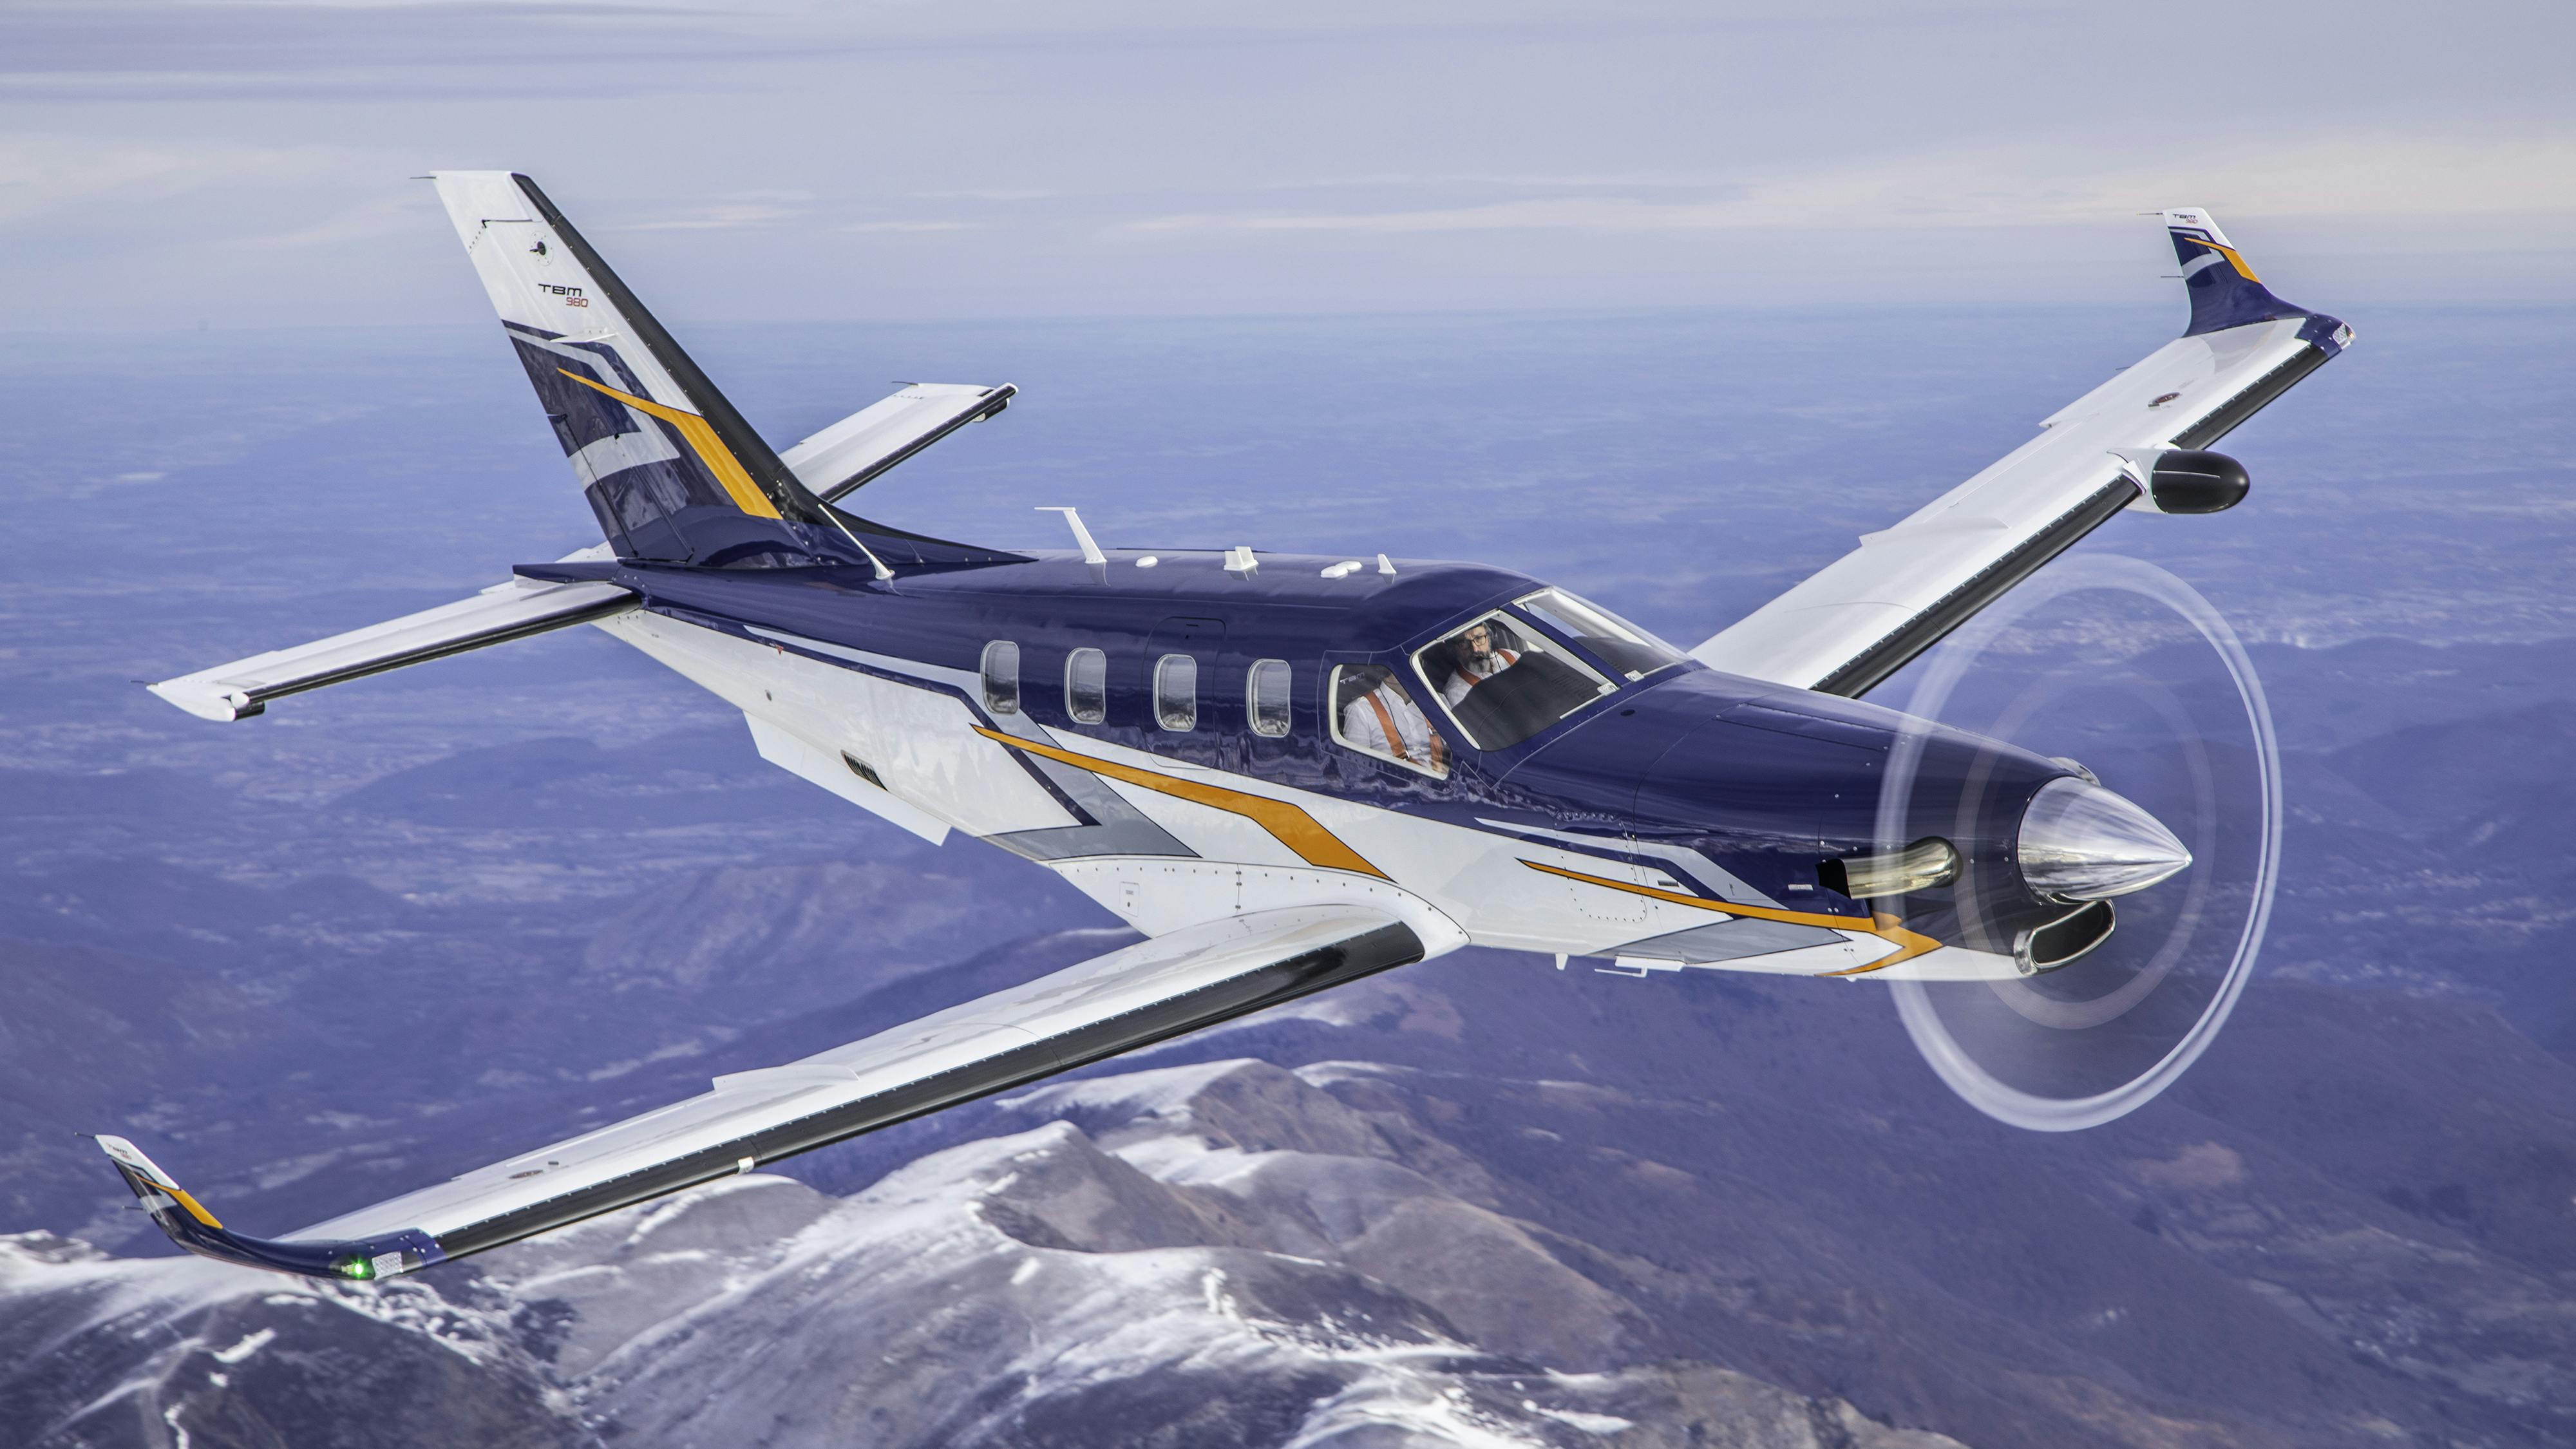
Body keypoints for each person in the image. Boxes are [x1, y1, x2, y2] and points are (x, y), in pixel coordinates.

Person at [1339, 668, 1446, 772]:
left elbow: (1458, 750)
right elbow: (1356, 770)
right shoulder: (1361, 711)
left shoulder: (1437, 701)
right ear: (1384, 670)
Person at [1439, 619, 1519, 706]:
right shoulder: (1457, 692)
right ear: (1453, 649)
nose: (1475, 649)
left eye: (1479, 638)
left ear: (1489, 637)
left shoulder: (1511, 656)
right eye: (1464, 643)